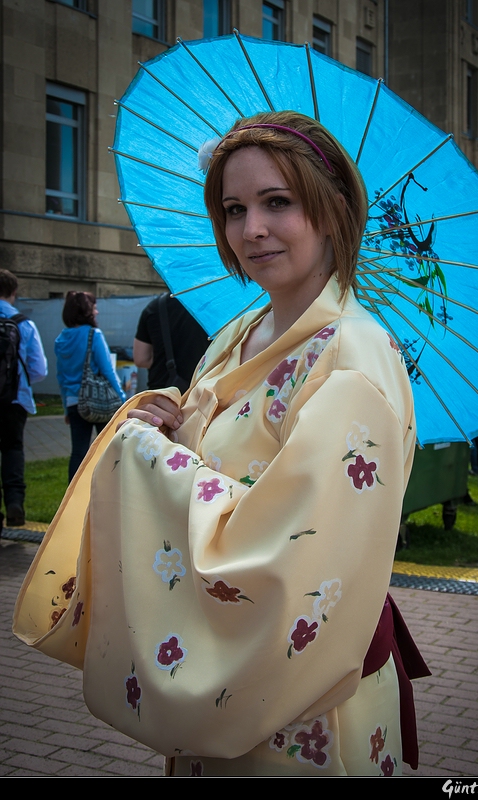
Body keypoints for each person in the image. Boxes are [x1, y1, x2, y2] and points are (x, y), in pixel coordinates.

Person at [14, 112, 427, 776]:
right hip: (232, 655)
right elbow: (228, 432)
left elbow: (291, 549)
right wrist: (163, 415)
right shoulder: (243, 330)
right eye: (234, 208)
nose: (251, 229)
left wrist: (145, 457)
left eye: (277, 202)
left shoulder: (352, 359)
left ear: (333, 209)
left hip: (298, 684)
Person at [54, 291, 126, 483]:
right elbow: (108, 370)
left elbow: (60, 376)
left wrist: (65, 408)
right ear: (86, 311)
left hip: (73, 403)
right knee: (107, 448)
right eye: (94, 307)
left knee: (78, 451)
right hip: (98, 401)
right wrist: (122, 398)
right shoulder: (93, 335)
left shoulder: (61, 339)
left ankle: (73, 494)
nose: (97, 312)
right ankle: (106, 488)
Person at [0, 269, 47, 531]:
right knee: (13, 449)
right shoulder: (23, 324)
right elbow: (39, 370)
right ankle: (15, 504)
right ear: (13, 292)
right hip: (14, 399)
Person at [133, 292, 208, 391]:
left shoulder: (155, 307)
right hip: (204, 393)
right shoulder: (214, 310)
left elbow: (141, 359)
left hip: (161, 391)